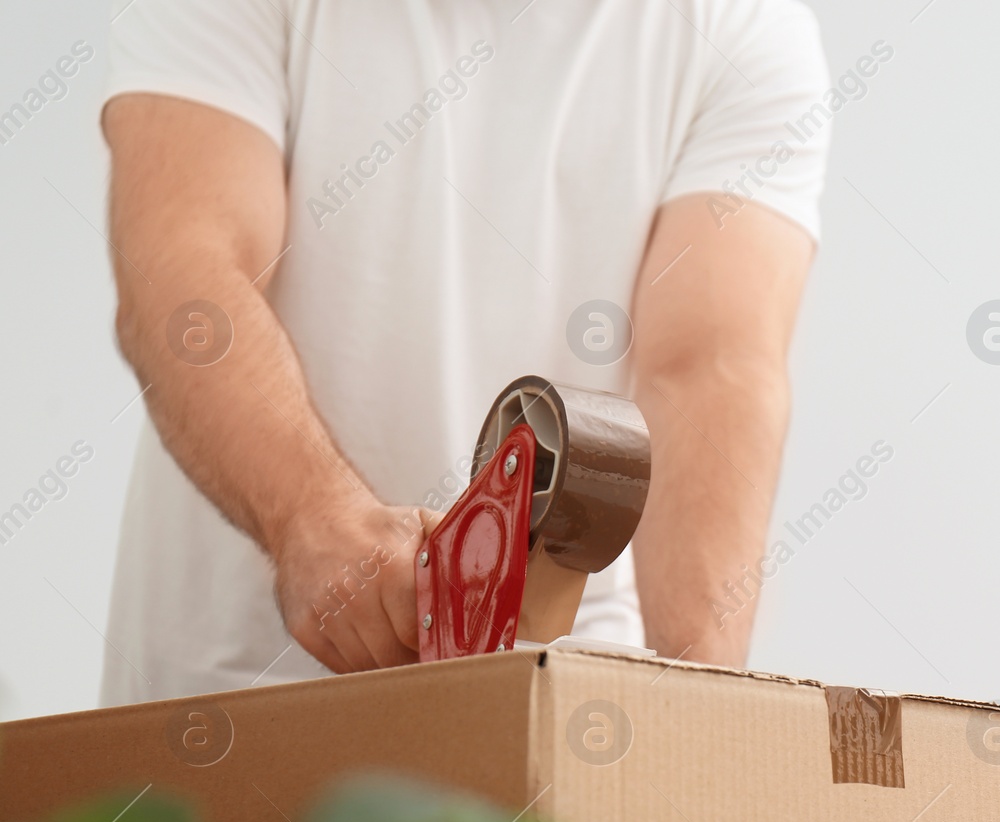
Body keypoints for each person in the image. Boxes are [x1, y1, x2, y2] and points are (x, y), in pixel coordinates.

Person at [97, 0, 830, 704]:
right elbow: (187, 271)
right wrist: (310, 521)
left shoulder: (742, 30)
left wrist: (700, 708)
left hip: (556, 685)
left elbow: (709, 368)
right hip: (235, 689)